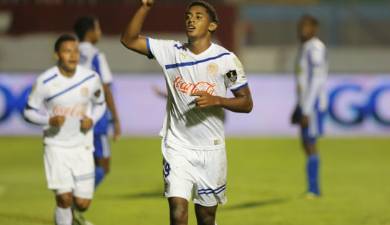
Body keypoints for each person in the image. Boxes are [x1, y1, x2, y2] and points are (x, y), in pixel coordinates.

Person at [121, 1, 253, 225]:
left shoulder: (226, 60)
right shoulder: (170, 52)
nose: (191, 20)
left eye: (198, 16)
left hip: (211, 150)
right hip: (177, 146)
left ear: (212, 26)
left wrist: (218, 100)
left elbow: (247, 103)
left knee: (206, 217)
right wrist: (144, 7)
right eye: (188, 16)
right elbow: (129, 40)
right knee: (178, 211)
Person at [23, 34, 106, 225]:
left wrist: (91, 118)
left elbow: (100, 104)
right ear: (57, 55)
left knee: (82, 203)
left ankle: (71, 216)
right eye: (67, 51)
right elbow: (28, 112)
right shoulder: (45, 81)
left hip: (83, 146)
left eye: (75, 50)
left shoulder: (91, 78)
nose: (73, 55)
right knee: (64, 198)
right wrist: (48, 120)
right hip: (56, 146)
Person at [74, 16, 121, 188]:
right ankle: (75, 202)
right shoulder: (96, 55)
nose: (100, 32)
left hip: (74, 117)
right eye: (98, 28)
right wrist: (116, 119)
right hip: (96, 118)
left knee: (82, 165)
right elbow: (106, 88)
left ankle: (73, 207)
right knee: (103, 166)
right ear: (91, 32)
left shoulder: (71, 53)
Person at [291, 14, 328, 199]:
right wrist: (297, 106)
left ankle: (314, 189)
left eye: (306, 27)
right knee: (306, 144)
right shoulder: (305, 47)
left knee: (310, 144)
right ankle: (313, 188)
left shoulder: (315, 48)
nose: (302, 30)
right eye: (300, 26)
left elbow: (317, 79)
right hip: (306, 104)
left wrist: (305, 109)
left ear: (314, 29)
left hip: (312, 106)